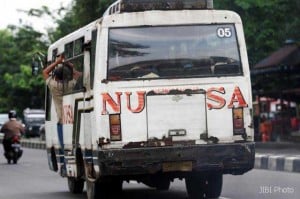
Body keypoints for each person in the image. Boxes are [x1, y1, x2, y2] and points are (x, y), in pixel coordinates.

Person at [42, 54, 82, 149]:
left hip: (61, 121)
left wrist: (57, 62)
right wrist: (68, 64)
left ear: (55, 77)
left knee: (63, 148)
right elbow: (78, 74)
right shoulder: (69, 85)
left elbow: (45, 72)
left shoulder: (53, 86)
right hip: (71, 121)